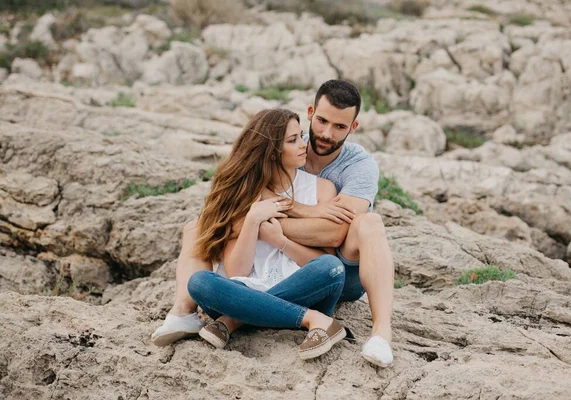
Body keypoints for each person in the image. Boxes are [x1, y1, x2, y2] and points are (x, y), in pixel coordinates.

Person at [152, 80, 395, 368]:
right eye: (321, 121)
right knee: (197, 229)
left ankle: (381, 333)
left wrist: (265, 228)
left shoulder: (357, 166)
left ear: (352, 128)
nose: (326, 133)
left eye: (339, 127)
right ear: (310, 112)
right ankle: (183, 312)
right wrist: (297, 212)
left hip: (338, 268)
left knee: (369, 223)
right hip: (274, 270)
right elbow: (244, 180)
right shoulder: (287, 142)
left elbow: (335, 232)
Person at [165, 108, 348, 359]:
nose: (303, 145)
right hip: (245, 289)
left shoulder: (322, 188)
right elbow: (236, 271)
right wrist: (252, 222)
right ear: (271, 152)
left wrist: (281, 241)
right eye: (292, 140)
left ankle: (235, 321)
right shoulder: (243, 197)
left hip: (304, 291)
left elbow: (322, 262)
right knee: (199, 283)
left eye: (301, 136)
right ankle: (314, 319)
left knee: (332, 267)